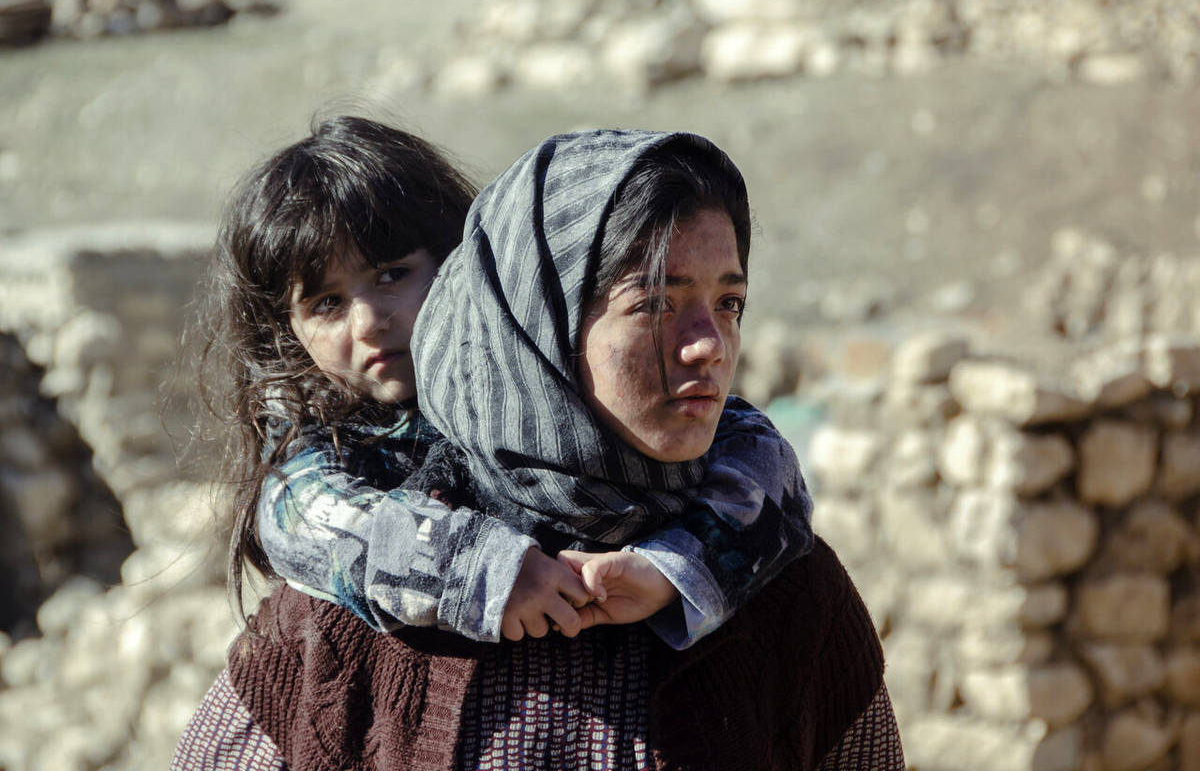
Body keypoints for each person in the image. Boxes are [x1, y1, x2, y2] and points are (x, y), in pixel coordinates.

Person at [173, 119, 837, 769]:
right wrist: (478, 570)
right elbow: (302, 517)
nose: (370, 321)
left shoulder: (784, 586)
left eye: (393, 274)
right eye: (325, 303)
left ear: (474, 269)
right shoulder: (333, 490)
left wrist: (676, 571)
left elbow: (767, 467)